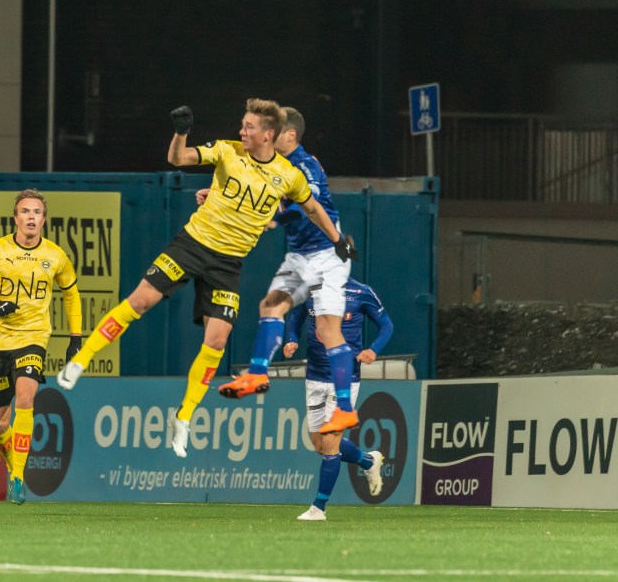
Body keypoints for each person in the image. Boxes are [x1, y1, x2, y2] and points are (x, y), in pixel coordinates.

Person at [57, 100, 354, 458]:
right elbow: (178, 159)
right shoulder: (227, 151)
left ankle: (183, 417)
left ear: (268, 134)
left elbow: (312, 208)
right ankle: (81, 360)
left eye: (248, 127)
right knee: (141, 300)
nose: (241, 131)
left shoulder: (288, 175)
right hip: (193, 245)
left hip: (228, 265)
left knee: (217, 339)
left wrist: (338, 240)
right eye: (242, 125)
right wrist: (181, 132)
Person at [216, 107, 361, 435]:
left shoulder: (305, 164)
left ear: (290, 135)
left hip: (327, 255)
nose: (268, 132)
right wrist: (216, 195)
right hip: (301, 255)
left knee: (327, 330)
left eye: (275, 129)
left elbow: (305, 206)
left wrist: (275, 219)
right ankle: (257, 374)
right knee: (270, 305)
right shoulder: (274, 165)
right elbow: (250, 192)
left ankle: (345, 409)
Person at [0, 189, 83, 504]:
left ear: (44, 219)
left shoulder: (56, 256)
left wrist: (76, 337)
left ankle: (17, 478)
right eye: (25, 211)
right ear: (15, 218)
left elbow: (71, 294)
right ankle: (12, 465)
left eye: (37, 212)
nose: (31, 217)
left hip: (33, 338)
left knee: (26, 398)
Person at [283, 276, 394, 521]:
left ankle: (318, 507)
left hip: (345, 377)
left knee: (331, 441)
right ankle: (368, 461)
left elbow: (386, 325)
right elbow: (296, 318)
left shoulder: (361, 292)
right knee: (319, 445)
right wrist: (291, 339)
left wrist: (373, 350)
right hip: (315, 376)